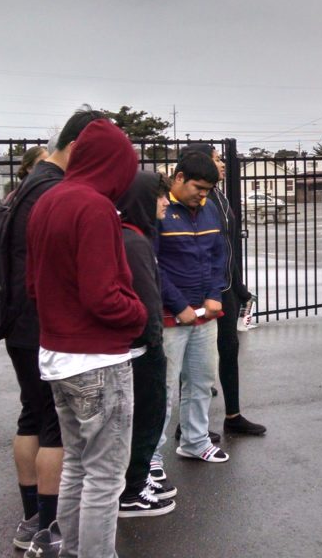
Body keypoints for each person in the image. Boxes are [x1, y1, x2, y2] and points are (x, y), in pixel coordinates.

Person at [26, 117, 146, 558]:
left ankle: (73, 550)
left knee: (77, 463)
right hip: (98, 360)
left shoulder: (49, 200)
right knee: (106, 477)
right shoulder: (93, 207)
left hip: (57, 356)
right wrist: (138, 314)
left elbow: (34, 286)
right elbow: (103, 297)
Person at [3, 109, 103, 554]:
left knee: (31, 415)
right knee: (53, 429)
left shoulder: (28, 183)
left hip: (17, 319)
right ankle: (48, 525)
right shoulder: (53, 189)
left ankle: (30, 519)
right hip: (42, 322)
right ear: (78, 147)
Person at [154, 151, 229, 472]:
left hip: (204, 314)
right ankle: (151, 456)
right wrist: (179, 306)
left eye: (209, 189)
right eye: (198, 187)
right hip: (171, 318)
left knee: (201, 380)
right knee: (164, 387)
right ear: (179, 178)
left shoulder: (209, 208)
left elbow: (217, 255)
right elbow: (152, 265)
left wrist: (214, 294)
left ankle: (195, 442)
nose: (203, 195)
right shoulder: (159, 209)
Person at [182, 143, 264, 436]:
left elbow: (227, 245)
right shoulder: (196, 198)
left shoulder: (217, 193)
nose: (221, 164)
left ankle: (233, 416)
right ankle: (186, 426)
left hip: (224, 286)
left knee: (229, 350)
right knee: (194, 360)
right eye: (216, 159)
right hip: (203, 292)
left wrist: (237, 284)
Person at [115, 171, 176, 518]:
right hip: (142, 349)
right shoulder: (133, 242)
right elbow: (146, 300)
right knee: (146, 416)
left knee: (143, 418)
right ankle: (132, 490)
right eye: (159, 196)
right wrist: (153, 340)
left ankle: (134, 484)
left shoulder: (134, 236)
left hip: (137, 346)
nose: (166, 202)